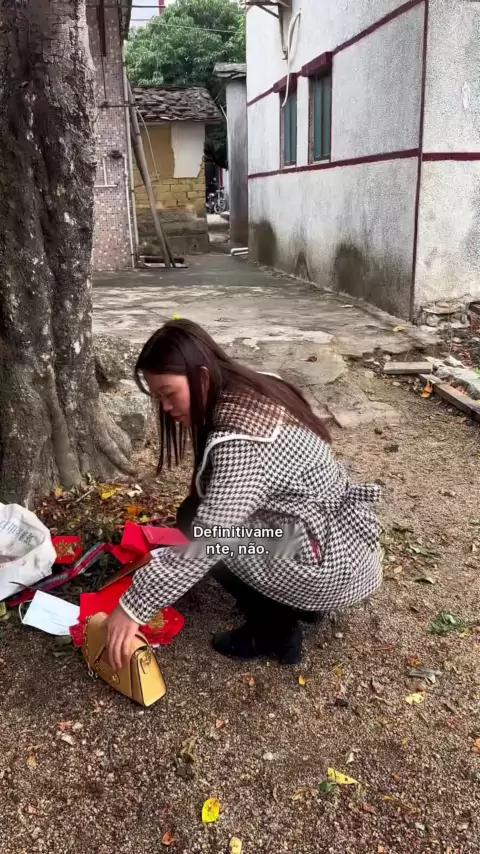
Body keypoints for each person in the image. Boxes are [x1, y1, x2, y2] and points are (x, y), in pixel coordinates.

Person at [106, 319, 383, 671]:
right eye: (158, 397)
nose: (165, 407)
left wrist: (132, 607)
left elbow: (210, 543)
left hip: (327, 562)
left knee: (201, 528)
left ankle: (274, 630)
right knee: (195, 512)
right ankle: (299, 604)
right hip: (337, 542)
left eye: (169, 393)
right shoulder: (257, 387)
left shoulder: (243, 446)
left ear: (202, 377)